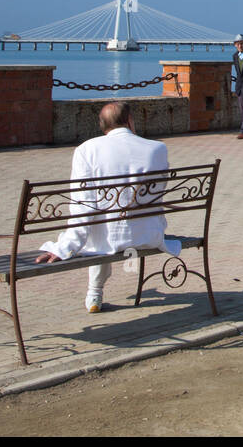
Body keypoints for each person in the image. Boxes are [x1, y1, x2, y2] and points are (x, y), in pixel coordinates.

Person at [32, 102, 178, 313]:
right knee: (106, 221)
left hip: (107, 239)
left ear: (103, 126)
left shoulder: (86, 150)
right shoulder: (157, 148)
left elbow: (83, 206)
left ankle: (94, 293)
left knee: (98, 225)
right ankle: (94, 293)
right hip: (148, 235)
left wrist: (66, 247)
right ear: (129, 121)